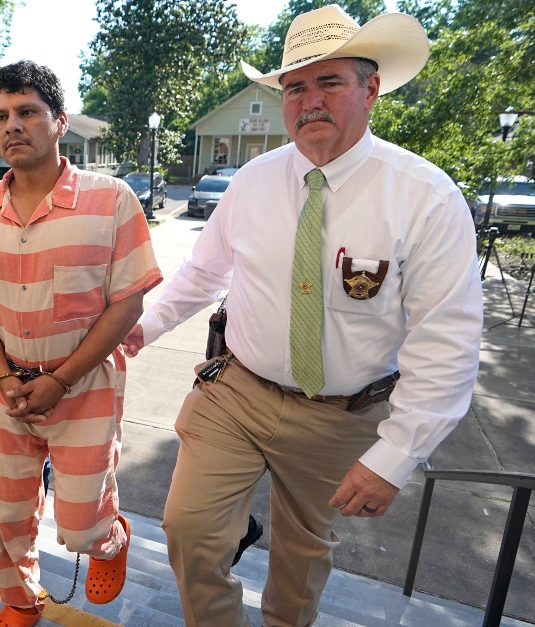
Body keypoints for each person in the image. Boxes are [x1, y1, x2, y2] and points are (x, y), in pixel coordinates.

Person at [120, 6, 483, 625]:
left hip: (342, 415)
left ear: (371, 89)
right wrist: (141, 327)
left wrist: (394, 456)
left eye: (329, 82)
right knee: (188, 530)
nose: (309, 100)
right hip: (237, 392)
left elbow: (445, 343)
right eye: (295, 87)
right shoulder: (251, 182)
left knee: (303, 555)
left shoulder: (424, 196)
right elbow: (205, 273)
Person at [0, 61, 162, 627]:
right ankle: (21, 602)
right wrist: (6, 376)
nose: (12, 125)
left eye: (28, 112)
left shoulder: (110, 200)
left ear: (60, 121)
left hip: (84, 387)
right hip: (9, 389)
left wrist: (58, 380)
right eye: (1, 116)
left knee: (80, 522)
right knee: (8, 513)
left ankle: (110, 540)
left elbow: (128, 301)